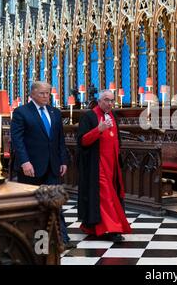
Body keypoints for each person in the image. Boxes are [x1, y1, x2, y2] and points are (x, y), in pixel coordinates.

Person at [10, 81, 72, 248]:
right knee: (35, 204)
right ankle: (37, 242)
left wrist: (62, 160)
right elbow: (18, 140)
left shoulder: (55, 112)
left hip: (53, 166)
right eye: (42, 93)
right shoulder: (21, 112)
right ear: (32, 94)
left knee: (55, 201)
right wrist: (25, 162)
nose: (46, 96)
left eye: (48, 93)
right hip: (31, 167)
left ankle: (61, 238)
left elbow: (59, 139)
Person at [77, 89, 131, 242]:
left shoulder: (113, 116)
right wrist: (98, 130)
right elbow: (82, 141)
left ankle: (93, 226)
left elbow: (116, 140)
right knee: (105, 196)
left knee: (111, 195)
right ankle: (112, 229)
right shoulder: (88, 117)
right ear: (99, 101)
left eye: (112, 100)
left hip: (112, 166)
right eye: (106, 100)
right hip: (97, 166)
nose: (110, 103)